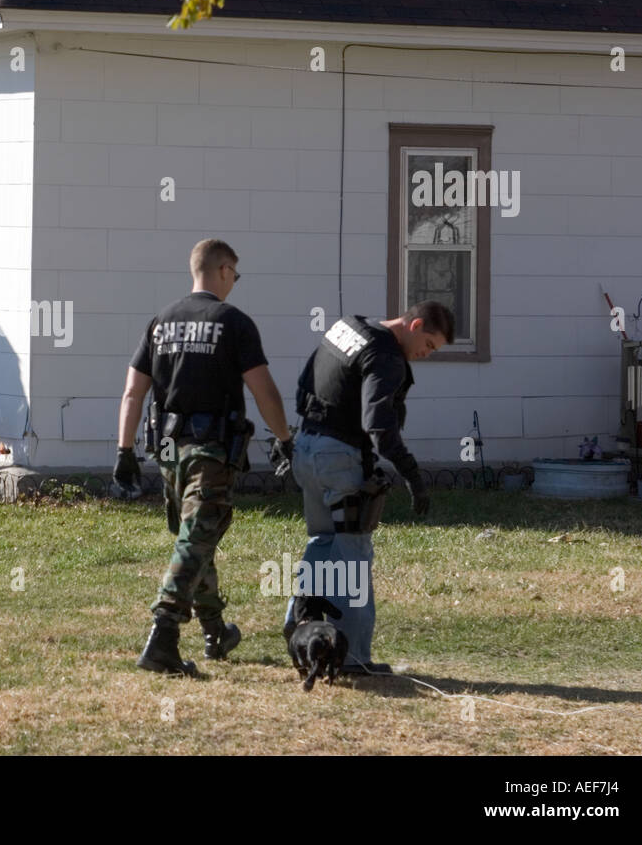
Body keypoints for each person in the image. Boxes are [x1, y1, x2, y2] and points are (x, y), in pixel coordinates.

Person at [114, 239, 295, 676]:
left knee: (197, 535)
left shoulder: (161, 322)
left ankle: (215, 630)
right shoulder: (233, 322)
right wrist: (285, 438)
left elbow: (132, 392)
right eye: (236, 274)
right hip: (209, 450)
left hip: (169, 451)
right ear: (225, 270)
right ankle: (163, 634)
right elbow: (263, 387)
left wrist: (124, 452)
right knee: (196, 537)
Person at [284, 301, 454, 675]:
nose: (425, 355)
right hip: (340, 457)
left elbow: (304, 382)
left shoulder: (347, 327)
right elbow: (378, 425)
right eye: (429, 344)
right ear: (416, 324)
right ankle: (353, 656)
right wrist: (412, 473)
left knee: (322, 541)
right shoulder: (387, 356)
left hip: (307, 446)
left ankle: (300, 626)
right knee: (353, 554)